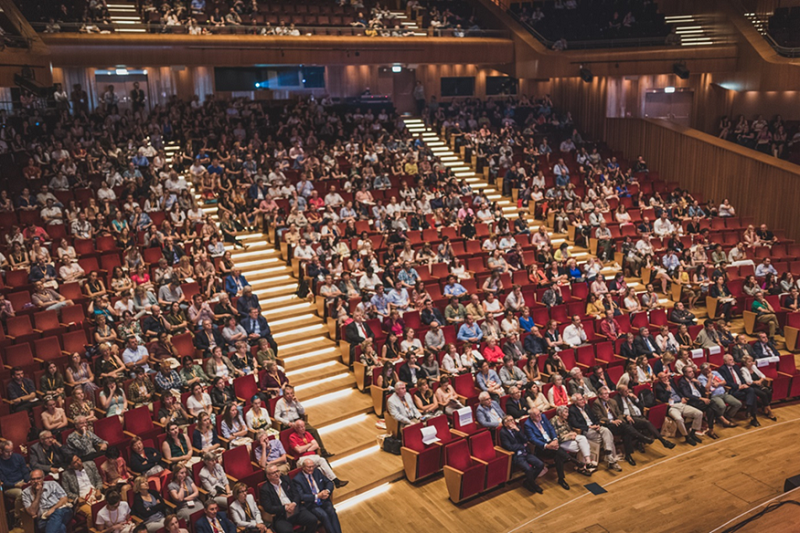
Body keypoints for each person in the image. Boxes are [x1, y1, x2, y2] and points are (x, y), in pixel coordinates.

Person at [591, 386, 649, 466]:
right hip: (608, 424)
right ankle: (641, 437)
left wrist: (620, 420)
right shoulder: (596, 404)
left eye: (607, 393)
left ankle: (628, 455)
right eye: (604, 394)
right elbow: (600, 417)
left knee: (626, 431)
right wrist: (612, 421)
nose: (607, 395)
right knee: (626, 428)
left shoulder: (612, 401)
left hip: (618, 424)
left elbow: (619, 413)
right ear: (600, 396)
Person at [274, 386, 333, 457]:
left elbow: (302, 412)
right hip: (289, 423)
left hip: (298, 420)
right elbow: (276, 416)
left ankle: (322, 451)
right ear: (284, 395)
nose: (290, 396)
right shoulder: (280, 402)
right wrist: (287, 422)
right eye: (288, 394)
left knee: (313, 430)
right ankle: (307, 451)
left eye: (291, 393)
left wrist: (297, 402)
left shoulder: (294, 401)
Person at [568, 394, 622, 471]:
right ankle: (611, 460)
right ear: (575, 402)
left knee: (606, 431)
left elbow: (594, 417)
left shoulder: (586, 406)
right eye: (580, 400)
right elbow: (575, 424)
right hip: (586, 430)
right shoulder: (572, 410)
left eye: (582, 398)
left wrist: (597, 425)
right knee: (606, 438)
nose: (583, 400)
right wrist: (589, 427)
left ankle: (608, 455)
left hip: (595, 427)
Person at [288, 420, 348, 488]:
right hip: (302, 459)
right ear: (296, 428)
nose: (302, 428)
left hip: (313, 456)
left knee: (320, 468)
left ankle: (326, 486)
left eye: (303, 426)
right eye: (300, 427)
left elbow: (316, 445)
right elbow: (299, 450)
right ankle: (335, 481)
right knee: (322, 460)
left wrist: (305, 449)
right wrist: (310, 444)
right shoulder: (292, 437)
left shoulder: (307, 434)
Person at [523, 407, 572, 490]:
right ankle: (569, 465)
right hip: (541, 448)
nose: (539, 416)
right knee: (557, 452)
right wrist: (547, 445)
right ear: (531, 416)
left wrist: (555, 439)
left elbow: (551, 428)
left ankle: (561, 479)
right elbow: (533, 439)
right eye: (537, 415)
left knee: (558, 455)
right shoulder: (528, 424)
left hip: (551, 442)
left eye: (539, 413)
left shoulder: (543, 416)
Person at [260, 464, 318, 533]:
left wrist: (294, 503)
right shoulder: (265, 489)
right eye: (273, 473)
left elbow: (296, 494)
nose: (277, 474)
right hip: (281, 516)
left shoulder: (285, 479)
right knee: (286, 531)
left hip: (296, 510)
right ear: (268, 476)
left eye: (277, 471)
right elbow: (268, 508)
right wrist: (284, 508)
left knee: (313, 520)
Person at [293, 458, 342, 533]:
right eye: (309, 467)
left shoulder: (317, 472)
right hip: (312, 504)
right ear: (303, 467)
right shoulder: (297, 479)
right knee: (324, 515)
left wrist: (327, 491)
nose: (311, 469)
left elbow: (329, 482)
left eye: (313, 466)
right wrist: (317, 496)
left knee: (332, 512)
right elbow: (301, 496)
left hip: (324, 500)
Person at [499, 415, 545, 493]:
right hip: (517, 455)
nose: (512, 422)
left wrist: (518, 431)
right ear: (505, 424)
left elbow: (525, 439)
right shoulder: (503, 432)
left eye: (512, 420)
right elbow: (509, 447)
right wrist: (522, 446)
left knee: (540, 464)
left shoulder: (518, 428)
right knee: (528, 469)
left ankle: (528, 482)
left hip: (526, 452)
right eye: (509, 421)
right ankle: (533, 485)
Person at [717, 354, 760, 427]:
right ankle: (753, 417)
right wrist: (738, 386)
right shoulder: (722, 369)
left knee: (751, 391)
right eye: (730, 360)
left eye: (732, 359)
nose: (732, 361)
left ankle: (749, 410)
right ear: (725, 361)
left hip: (742, 387)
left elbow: (741, 378)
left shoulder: (736, 367)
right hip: (733, 390)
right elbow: (726, 382)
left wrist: (744, 384)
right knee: (753, 397)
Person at [61, 454, 104, 522]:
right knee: (92, 513)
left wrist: (98, 490)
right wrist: (77, 498)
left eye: (78, 459)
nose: (78, 462)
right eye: (74, 462)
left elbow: (98, 480)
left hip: (95, 493)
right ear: (70, 466)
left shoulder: (90, 465)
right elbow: (66, 492)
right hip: (82, 499)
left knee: (110, 504)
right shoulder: (66, 475)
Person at [697, 363, 740, 429]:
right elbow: (706, 389)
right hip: (714, 396)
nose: (709, 370)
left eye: (709, 368)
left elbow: (724, 382)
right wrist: (710, 378)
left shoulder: (715, 373)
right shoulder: (700, 378)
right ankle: (721, 419)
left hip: (723, 393)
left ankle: (727, 416)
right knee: (722, 406)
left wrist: (718, 384)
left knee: (738, 404)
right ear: (702, 371)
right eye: (706, 369)